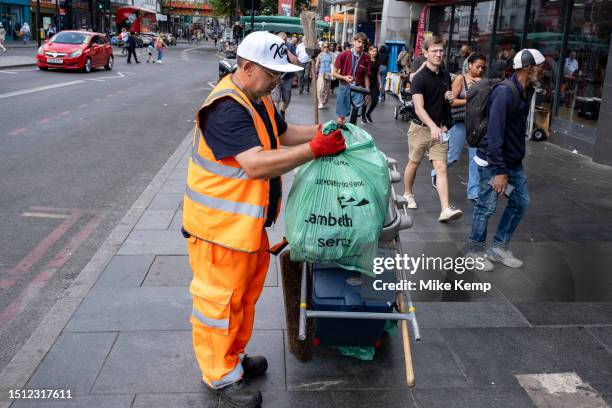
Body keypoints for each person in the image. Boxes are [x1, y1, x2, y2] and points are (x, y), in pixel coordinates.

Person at [183, 31, 345, 408]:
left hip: (246, 229)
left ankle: (233, 360)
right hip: (217, 233)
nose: (279, 80)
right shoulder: (225, 107)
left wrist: (322, 133)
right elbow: (255, 164)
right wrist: (313, 150)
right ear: (247, 66)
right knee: (218, 305)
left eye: (280, 73)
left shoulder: (259, 98)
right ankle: (219, 375)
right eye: (272, 73)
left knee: (242, 300)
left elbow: (283, 134)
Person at [466, 49, 544, 271]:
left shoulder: (526, 91)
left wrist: (514, 161)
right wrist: (500, 170)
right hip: (493, 161)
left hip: (512, 161)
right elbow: (494, 133)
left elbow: (514, 130)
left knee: (520, 202)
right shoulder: (504, 92)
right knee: (486, 206)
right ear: (529, 68)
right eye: (540, 66)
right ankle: (475, 250)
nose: (542, 70)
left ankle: (498, 247)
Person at [402, 35, 463, 222]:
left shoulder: (445, 74)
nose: (438, 54)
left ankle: (445, 209)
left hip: (441, 129)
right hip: (420, 128)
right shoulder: (419, 78)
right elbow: (419, 108)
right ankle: (407, 194)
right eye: (434, 51)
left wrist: (448, 96)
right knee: (414, 162)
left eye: (441, 51)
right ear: (426, 53)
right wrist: (432, 126)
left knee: (441, 168)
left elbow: (445, 96)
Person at [430, 53, 487, 201]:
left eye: (482, 67)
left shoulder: (483, 81)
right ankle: (436, 173)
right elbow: (452, 101)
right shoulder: (461, 79)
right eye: (477, 66)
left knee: (476, 158)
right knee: (453, 155)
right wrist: (469, 99)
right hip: (460, 123)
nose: (480, 69)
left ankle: (473, 192)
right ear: (469, 65)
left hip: (476, 124)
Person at [332, 32, 371, 125]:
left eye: (363, 43)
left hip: (358, 88)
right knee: (341, 117)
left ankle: (351, 137)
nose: (360, 44)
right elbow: (333, 73)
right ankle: (340, 136)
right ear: (354, 42)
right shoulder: (344, 54)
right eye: (359, 41)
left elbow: (366, 76)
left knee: (355, 116)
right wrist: (344, 77)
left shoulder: (366, 58)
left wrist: (367, 91)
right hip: (344, 86)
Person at [271, 32, 298, 120]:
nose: (283, 42)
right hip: (275, 77)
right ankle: (276, 119)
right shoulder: (273, 47)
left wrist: (287, 51)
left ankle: (282, 110)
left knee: (287, 99)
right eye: (281, 40)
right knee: (276, 99)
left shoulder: (290, 47)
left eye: (285, 40)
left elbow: (294, 61)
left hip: (287, 77)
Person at [361, 45, 380, 123]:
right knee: (366, 100)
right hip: (366, 81)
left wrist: (381, 83)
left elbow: (378, 73)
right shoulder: (366, 60)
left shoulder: (377, 61)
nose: (375, 52)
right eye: (373, 51)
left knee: (375, 100)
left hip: (374, 82)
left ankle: (368, 113)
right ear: (369, 51)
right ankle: (363, 117)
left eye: (376, 51)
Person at [315, 42, 333, 109]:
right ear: (322, 47)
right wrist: (314, 72)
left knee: (327, 89)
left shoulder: (331, 55)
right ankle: (320, 102)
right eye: (325, 47)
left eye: (327, 47)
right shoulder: (320, 55)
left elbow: (333, 64)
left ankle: (324, 101)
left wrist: (333, 73)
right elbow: (317, 64)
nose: (326, 48)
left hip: (328, 73)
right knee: (320, 88)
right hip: (321, 73)